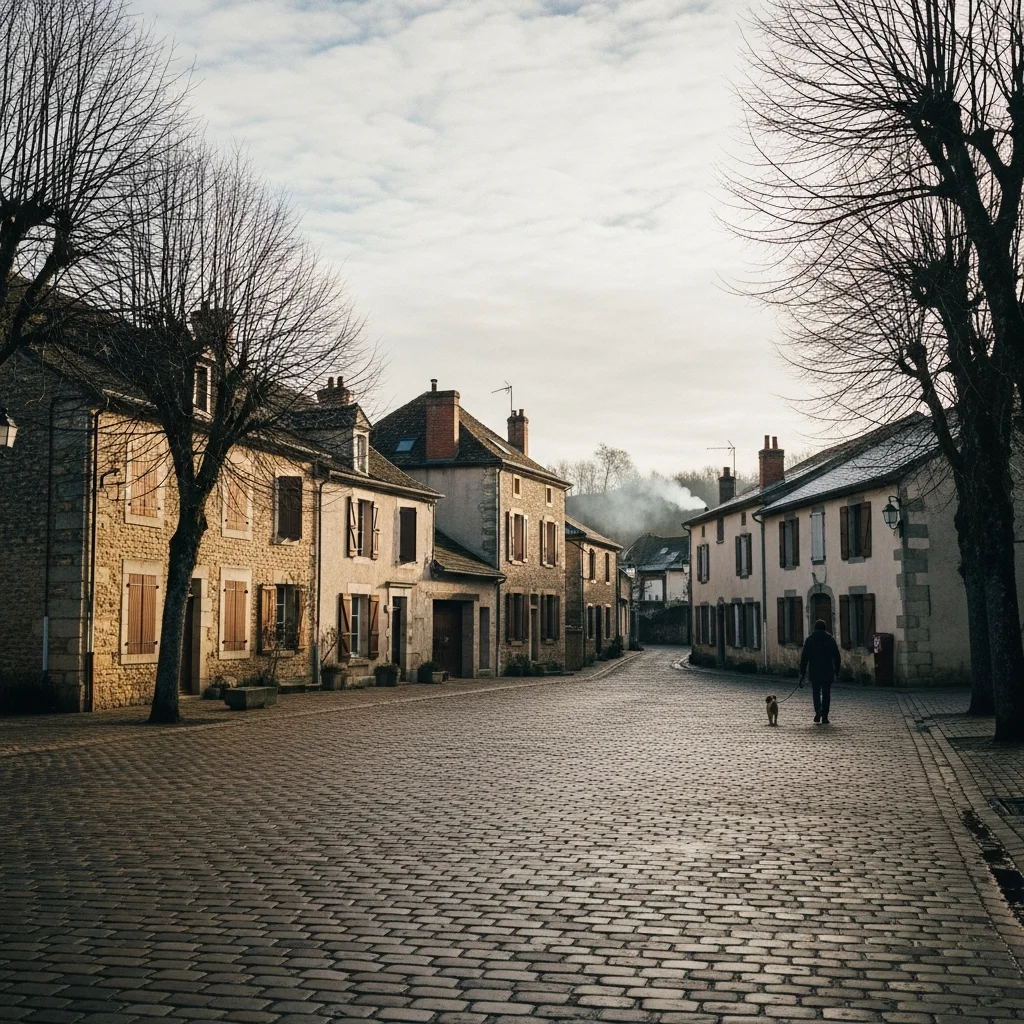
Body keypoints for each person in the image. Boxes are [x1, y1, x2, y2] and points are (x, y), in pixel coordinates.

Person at [799, 618, 842, 724]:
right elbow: (837, 656)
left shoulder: (810, 640)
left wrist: (802, 673)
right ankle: (825, 715)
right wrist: (837, 671)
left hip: (814, 670)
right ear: (825, 628)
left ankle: (818, 711)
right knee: (826, 694)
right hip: (827, 670)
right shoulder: (830, 639)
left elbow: (804, 658)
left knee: (816, 693)